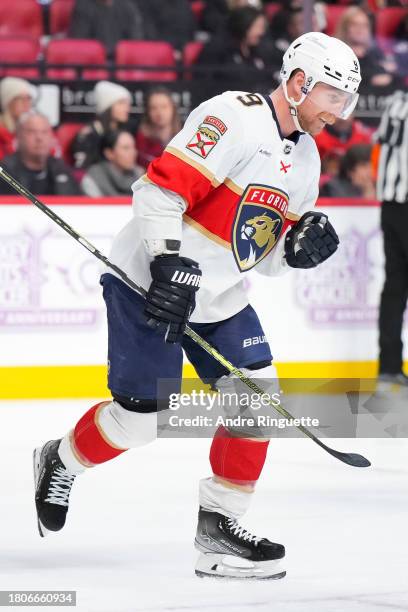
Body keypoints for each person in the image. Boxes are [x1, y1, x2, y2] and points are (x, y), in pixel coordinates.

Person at [33, 32, 360, 580]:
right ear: (300, 83)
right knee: (142, 422)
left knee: (257, 404)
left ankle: (219, 534)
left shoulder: (305, 161)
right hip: (149, 282)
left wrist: (295, 254)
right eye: (334, 96)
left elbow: (257, 251)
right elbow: (159, 192)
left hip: (219, 297)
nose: (341, 113)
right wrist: (166, 261)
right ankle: (60, 459)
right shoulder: (233, 116)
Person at [376, 90, 408, 388]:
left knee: (394, 288)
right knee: (394, 288)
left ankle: (388, 366)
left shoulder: (395, 101)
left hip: (390, 206)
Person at [0, 111, 81, 196]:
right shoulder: (4, 173)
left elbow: (82, 205)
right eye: (31, 132)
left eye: (44, 132)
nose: (39, 138)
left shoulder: (61, 170)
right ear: (18, 136)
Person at [72, 81, 134, 171]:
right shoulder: (88, 135)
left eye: (127, 104)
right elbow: (81, 169)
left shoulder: (125, 132)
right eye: (121, 103)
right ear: (107, 106)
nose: (127, 109)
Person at [196, 6, 269, 82]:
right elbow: (203, 81)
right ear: (244, 25)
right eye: (257, 27)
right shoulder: (217, 49)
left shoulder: (257, 51)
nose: (261, 32)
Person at [334, 6, 397, 87]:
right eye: (355, 24)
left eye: (365, 25)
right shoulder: (336, 52)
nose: (360, 29)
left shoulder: (374, 51)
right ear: (345, 27)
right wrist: (370, 78)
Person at [69, 0, 153, 58]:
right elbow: (80, 42)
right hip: (93, 64)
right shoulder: (83, 6)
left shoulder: (127, 7)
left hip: (122, 65)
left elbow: (135, 41)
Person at [81, 130, 144, 197]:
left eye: (134, 147)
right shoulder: (92, 180)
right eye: (126, 148)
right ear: (109, 153)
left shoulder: (140, 175)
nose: (133, 153)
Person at [135, 88, 182, 169]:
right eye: (154, 108)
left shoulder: (184, 137)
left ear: (173, 109)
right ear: (148, 112)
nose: (159, 113)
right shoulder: (140, 141)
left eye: (164, 107)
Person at [0, 77, 34, 160]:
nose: (26, 103)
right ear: (8, 101)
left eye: (28, 98)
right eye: (20, 98)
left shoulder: (34, 130)